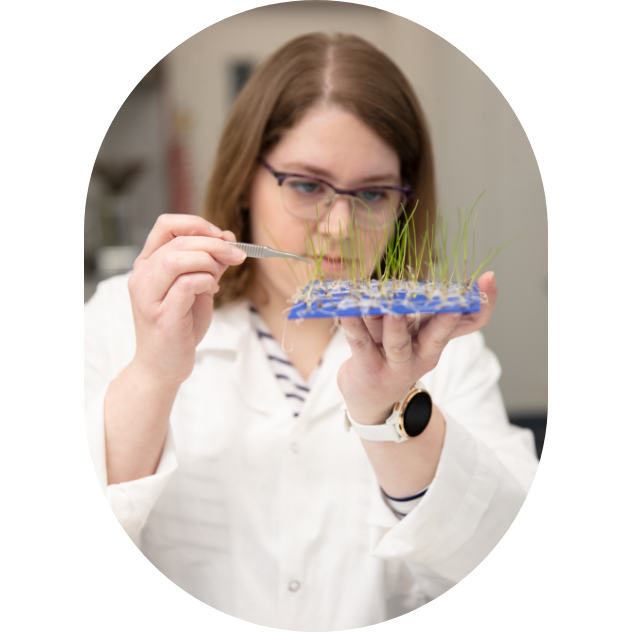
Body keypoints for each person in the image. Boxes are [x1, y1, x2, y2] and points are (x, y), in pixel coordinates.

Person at [84, 33, 539, 628]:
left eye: (373, 193)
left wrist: (392, 415)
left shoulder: (446, 351)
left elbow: (486, 545)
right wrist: (153, 374)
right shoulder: (124, 317)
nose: (340, 228)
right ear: (246, 182)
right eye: (306, 186)